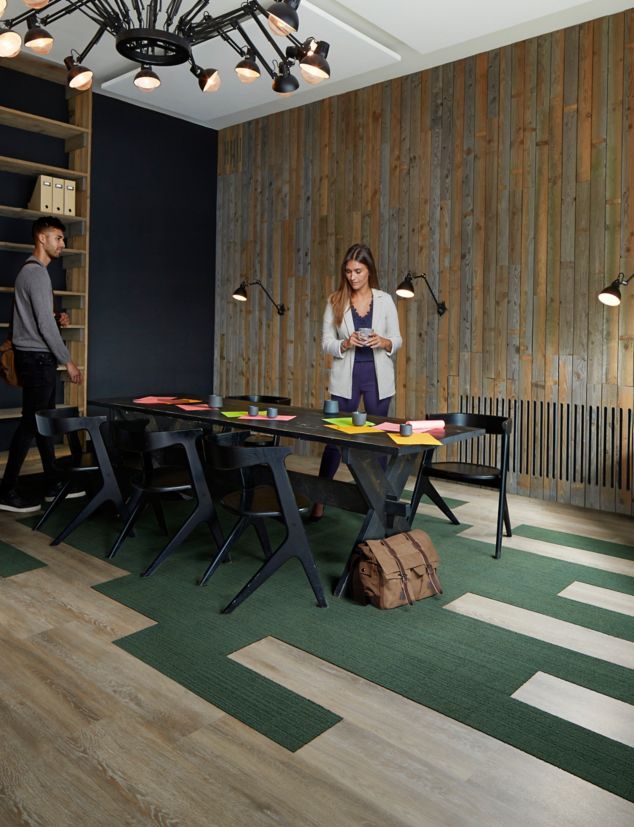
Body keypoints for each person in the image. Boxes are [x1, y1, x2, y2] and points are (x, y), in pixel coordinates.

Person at [311, 243, 402, 520]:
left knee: (378, 441)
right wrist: (345, 343)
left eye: (358, 271)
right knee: (334, 440)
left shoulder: (385, 301)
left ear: (369, 270)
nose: (353, 277)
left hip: (378, 378)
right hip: (345, 378)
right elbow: (326, 343)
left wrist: (383, 341)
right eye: (348, 271)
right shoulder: (335, 301)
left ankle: (380, 502)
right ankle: (319, 500)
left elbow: (397, 339)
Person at [0, 216, 83, 513]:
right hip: (37, 359)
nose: (63, 244)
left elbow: (40, 318)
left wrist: (57, 317)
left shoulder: (32, 273)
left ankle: (52, 483)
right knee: (30, 424)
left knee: (41, 421)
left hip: (35, 357)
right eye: (58, 238)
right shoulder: (36, 274)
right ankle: (6, 490)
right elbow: (43, 329)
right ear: (41, 238)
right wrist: (69, 362)